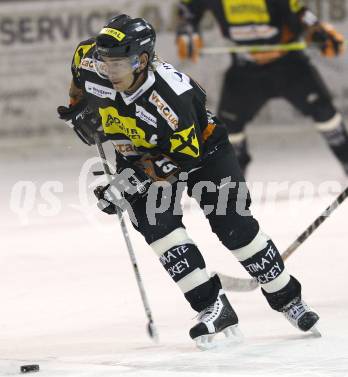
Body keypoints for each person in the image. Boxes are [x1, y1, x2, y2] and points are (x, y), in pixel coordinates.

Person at [58, 14, 319, 349]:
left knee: (234, 226)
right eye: (105, 63)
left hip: (202, 154)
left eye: (118, 65)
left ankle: (287, 298)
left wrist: (127, 184)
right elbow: (80, 78)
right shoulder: (91, 59)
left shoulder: (171, 97)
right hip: (137, 150)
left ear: (141, 60)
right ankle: (213, 305)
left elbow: (181, 158)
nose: (109, 71)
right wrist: (78, 108)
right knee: (156, 224)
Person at [176, 0, 348, 175]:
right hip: (245, 69)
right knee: (228, 131)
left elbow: (300, 12)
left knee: (326, 114)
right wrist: (187, 29)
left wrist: (318, 30)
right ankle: (232, 189)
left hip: (289, 64)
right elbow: (188, 8)